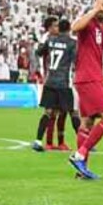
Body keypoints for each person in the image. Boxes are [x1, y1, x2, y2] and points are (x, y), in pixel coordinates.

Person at [68, 0, 103, 180]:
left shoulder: (102, 28)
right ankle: (79, 155)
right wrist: (93, 10)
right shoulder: (88, 22)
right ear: (94, 4)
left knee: (87, 123)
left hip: (92, 77)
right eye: (100, 5)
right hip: (88, 78)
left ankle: (82, 170)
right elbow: (74, 27)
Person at [33, 16, 76, 151]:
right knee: (72, 112)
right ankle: (85, 143)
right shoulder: (72, 43)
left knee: (48, 112)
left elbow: (38, 52)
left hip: (50, 81)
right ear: (69, 29)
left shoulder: (50, 40)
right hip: (63, 83)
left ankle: (38, 141)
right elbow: (76, 60)